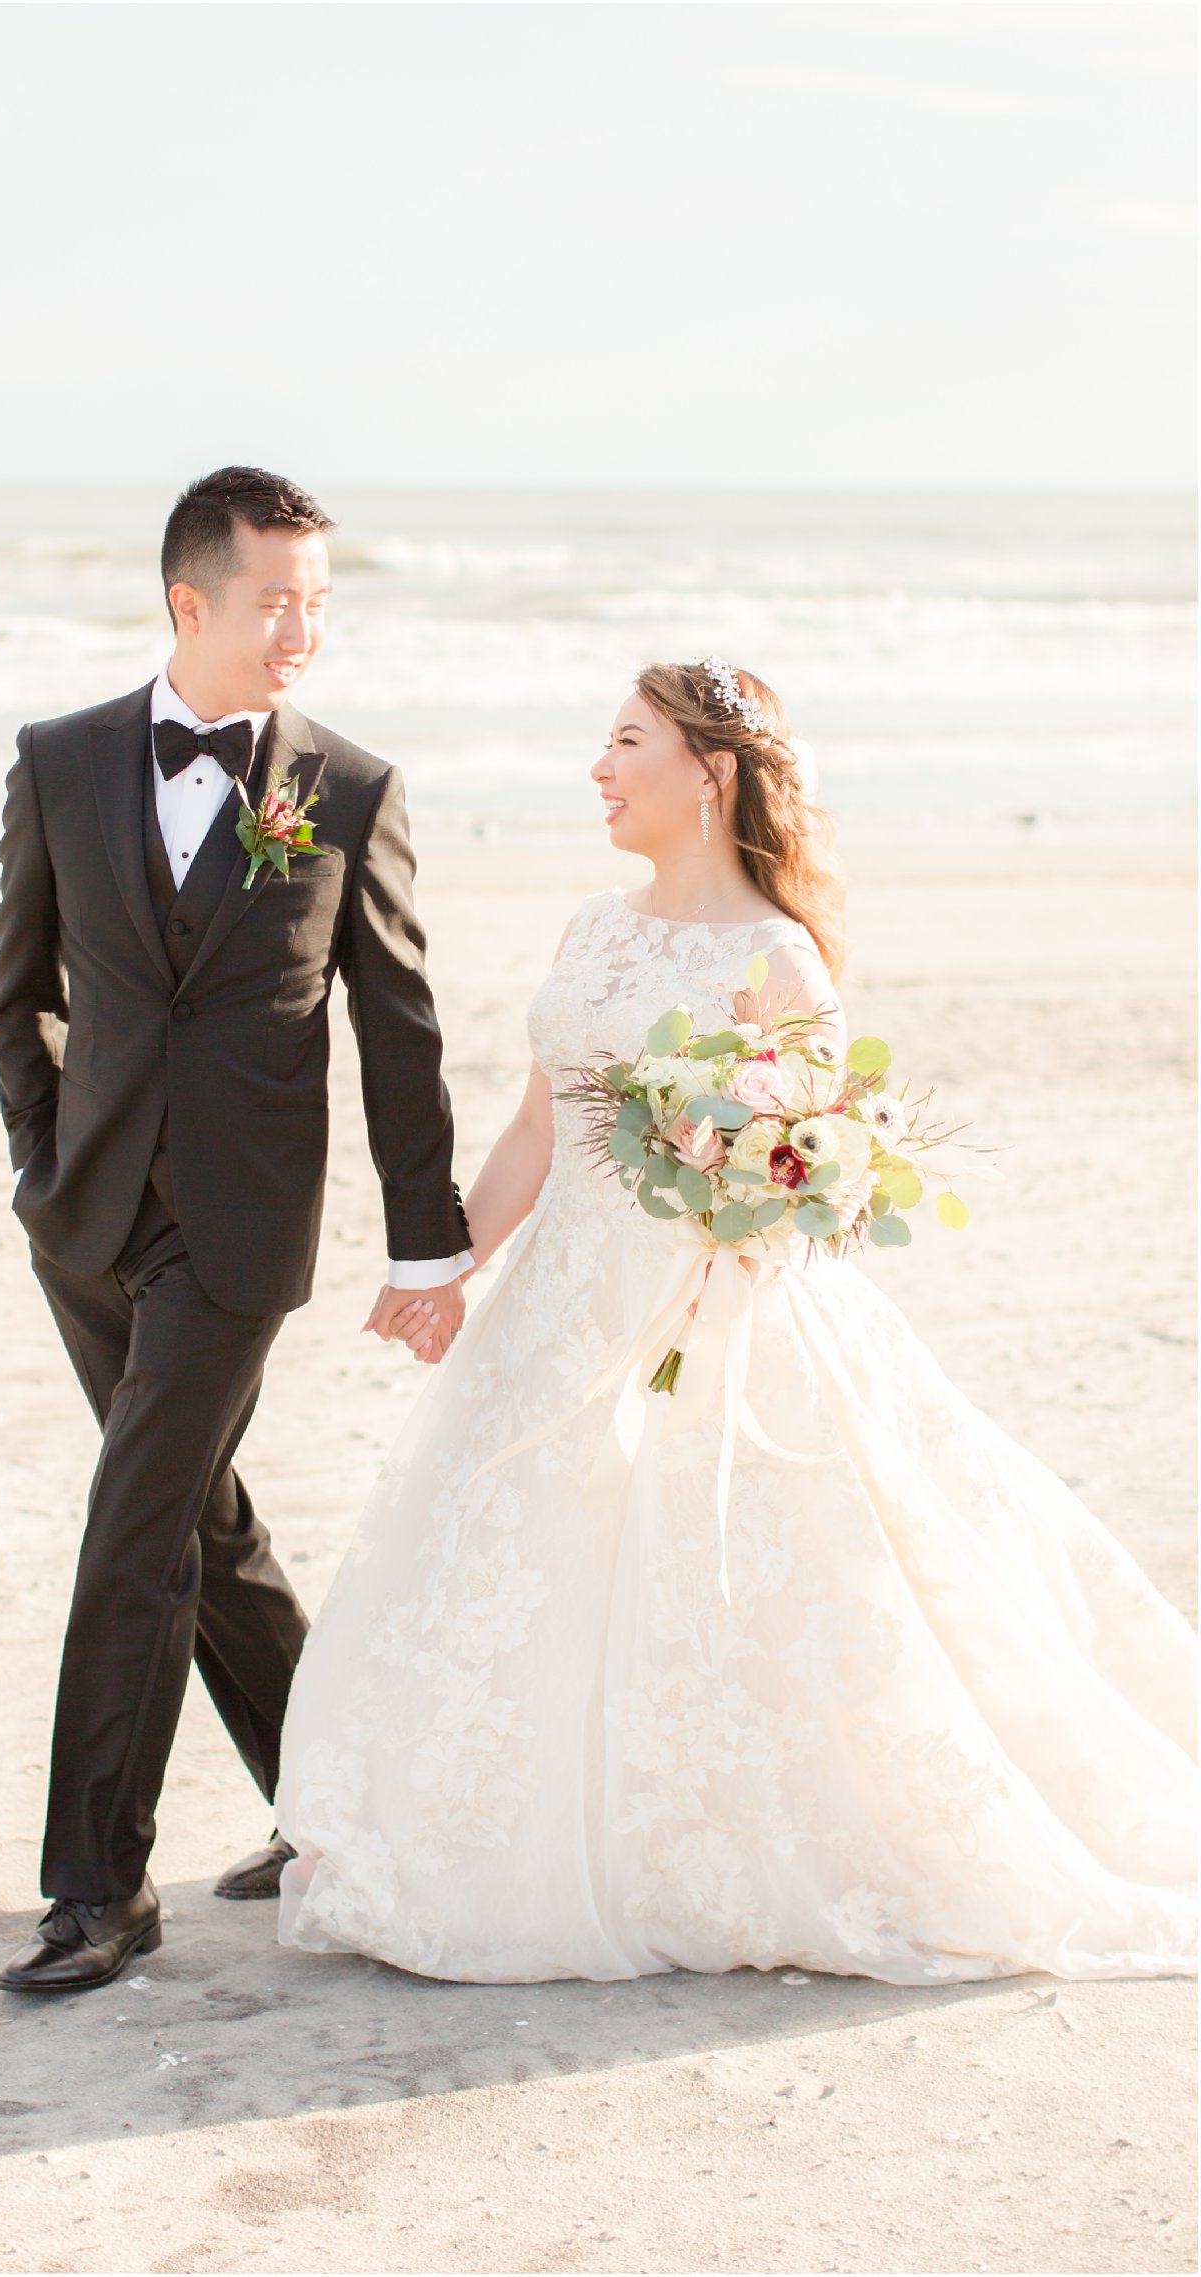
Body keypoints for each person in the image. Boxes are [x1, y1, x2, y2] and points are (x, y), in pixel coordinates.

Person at [275, 658, 1198, 1987]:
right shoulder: (592, 927)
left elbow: (809, 1180)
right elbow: (542, 1125)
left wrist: (734, 1243)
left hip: (712, 1317)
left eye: (627, 742)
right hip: (560, 1312)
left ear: (709, 773)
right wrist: (446, 1266)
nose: (599, 766)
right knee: (509, 1563)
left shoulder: (779, 960)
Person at [0, 466, 471, 1992]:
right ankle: (333, 1801)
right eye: (277, 600)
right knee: (204, 1520)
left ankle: (98, 1886)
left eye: (320, 603)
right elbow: (21, 993)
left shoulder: (351, 789)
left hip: (240, 1234)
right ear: (190, 601)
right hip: (84, 1216)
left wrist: (427, 1241)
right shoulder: (59, 761)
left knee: (136, 1521)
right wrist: (37, 1161)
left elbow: (398, 1031)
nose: (301, 631)